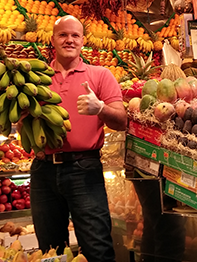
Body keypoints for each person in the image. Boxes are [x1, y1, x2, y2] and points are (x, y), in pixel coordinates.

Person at [30, 15, 127, 261]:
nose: (69, 40)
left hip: (84, 168)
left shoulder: (101, 75)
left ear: (83, 41)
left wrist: (101, 108)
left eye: (75, 35)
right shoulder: (36, 78)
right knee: (50, 250)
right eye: (63, 35)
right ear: (53, 40)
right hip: (43, 170)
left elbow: (122, 121)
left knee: (97, 247)